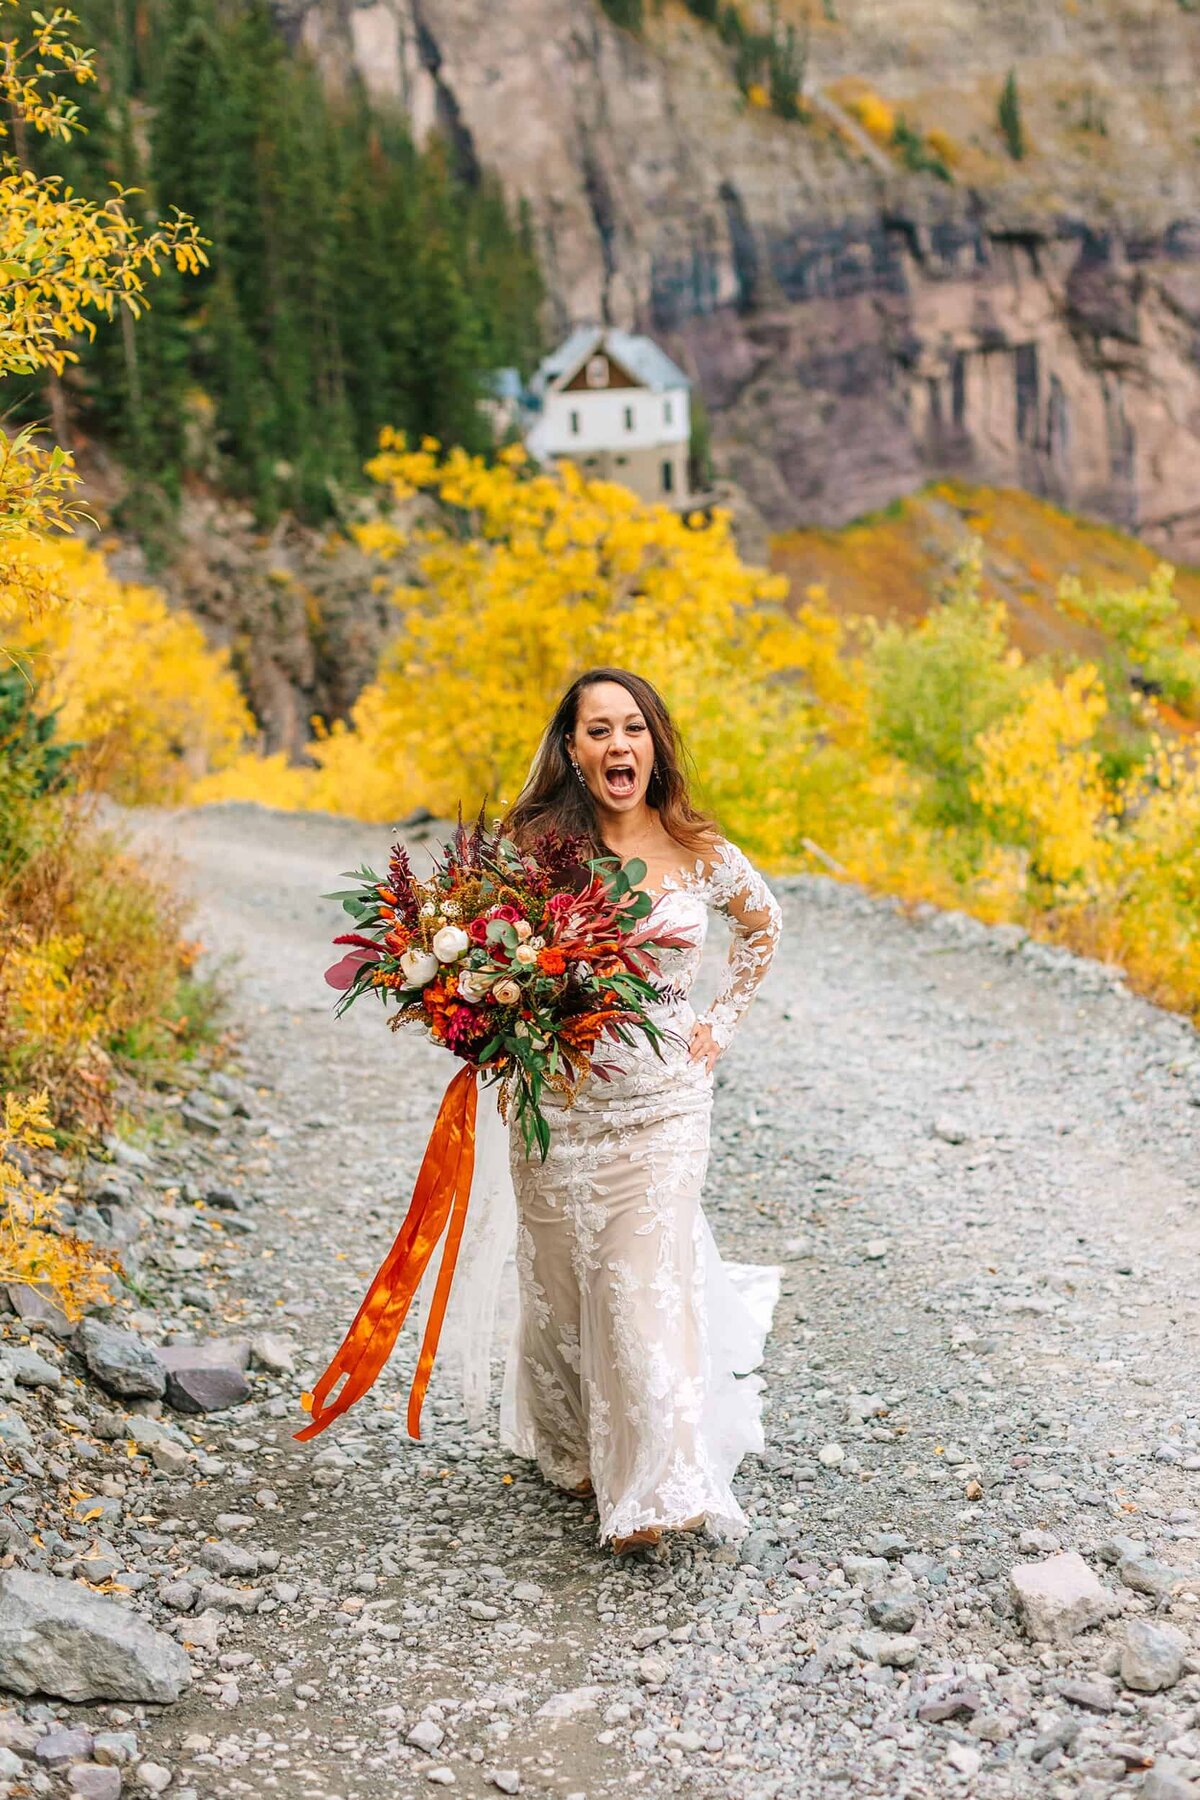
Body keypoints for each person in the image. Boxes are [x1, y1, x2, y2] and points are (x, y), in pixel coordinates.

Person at [500, 667, 783, 1554]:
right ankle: (577, 1448)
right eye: (598, 731)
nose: (618, 745)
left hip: (664, 1106)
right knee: (561, 1289)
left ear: (654, 744)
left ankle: (657, 1485)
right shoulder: (536, 849)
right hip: (558, 1106)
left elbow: (764, 924)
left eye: (633, 728)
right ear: (574, 750)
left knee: (639, 1289)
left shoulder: (699, 850)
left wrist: (719, 1024)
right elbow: (494, 958)